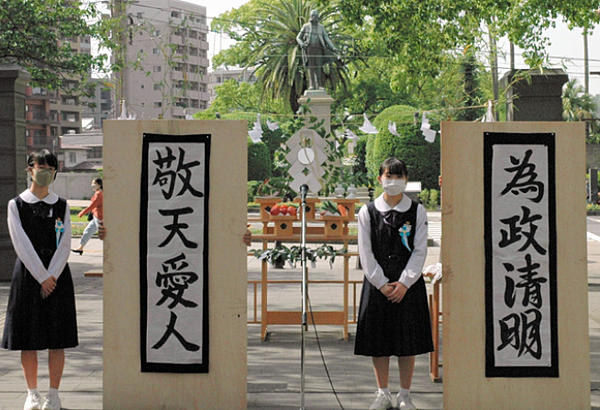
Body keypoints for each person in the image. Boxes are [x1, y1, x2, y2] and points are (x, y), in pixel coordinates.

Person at [355, 157, 433, 410]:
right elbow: (365, 253)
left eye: (398, 176)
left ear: (406, 180)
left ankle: (405, 395)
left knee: (406, 341)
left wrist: (404, 283)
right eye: (388, 176)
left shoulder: (417, 211)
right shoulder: (367, 211)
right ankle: (383, 393)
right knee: (379, 341)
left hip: (407, 285)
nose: (393, 181)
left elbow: (420, 251)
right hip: (377, 282)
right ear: (380, 179)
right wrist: (381, 283)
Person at [2, 149, 78, 410]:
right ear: (29, 169)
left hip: (57, 277)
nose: (45, 171)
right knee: (28, 339)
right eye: (40, 166)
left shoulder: (62, 205)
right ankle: (32, 393)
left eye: (50, 168)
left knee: (57, 339)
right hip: (27, 276)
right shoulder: (17, 205)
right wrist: (42, 277)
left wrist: (52, 276)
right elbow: (21, 245)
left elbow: (65, 244)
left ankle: (54, 394)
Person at [296, 9, 339, 90]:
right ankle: (312, 85)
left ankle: (319, 85)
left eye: (315, 16)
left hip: (319, 48)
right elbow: (298, 37)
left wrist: (332, 47)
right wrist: (301, 44)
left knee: (319, 67)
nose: (314, 18)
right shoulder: (306, 26)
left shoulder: (321, 27)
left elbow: (326, 38)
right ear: (310, 16)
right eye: (312, 16)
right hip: (309, 48)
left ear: (317, 17)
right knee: (311, 67)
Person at [71, 178, 103, 255]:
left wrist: (82, 212)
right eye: (92, 183)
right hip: (96, 216)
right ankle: (80, 248)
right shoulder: (97, 193)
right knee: (88, 231)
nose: (93, 185)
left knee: (104, 234)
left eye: (95, 183)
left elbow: (93, 205)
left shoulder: (99, 194)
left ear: (99, 185)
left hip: (99, 217)